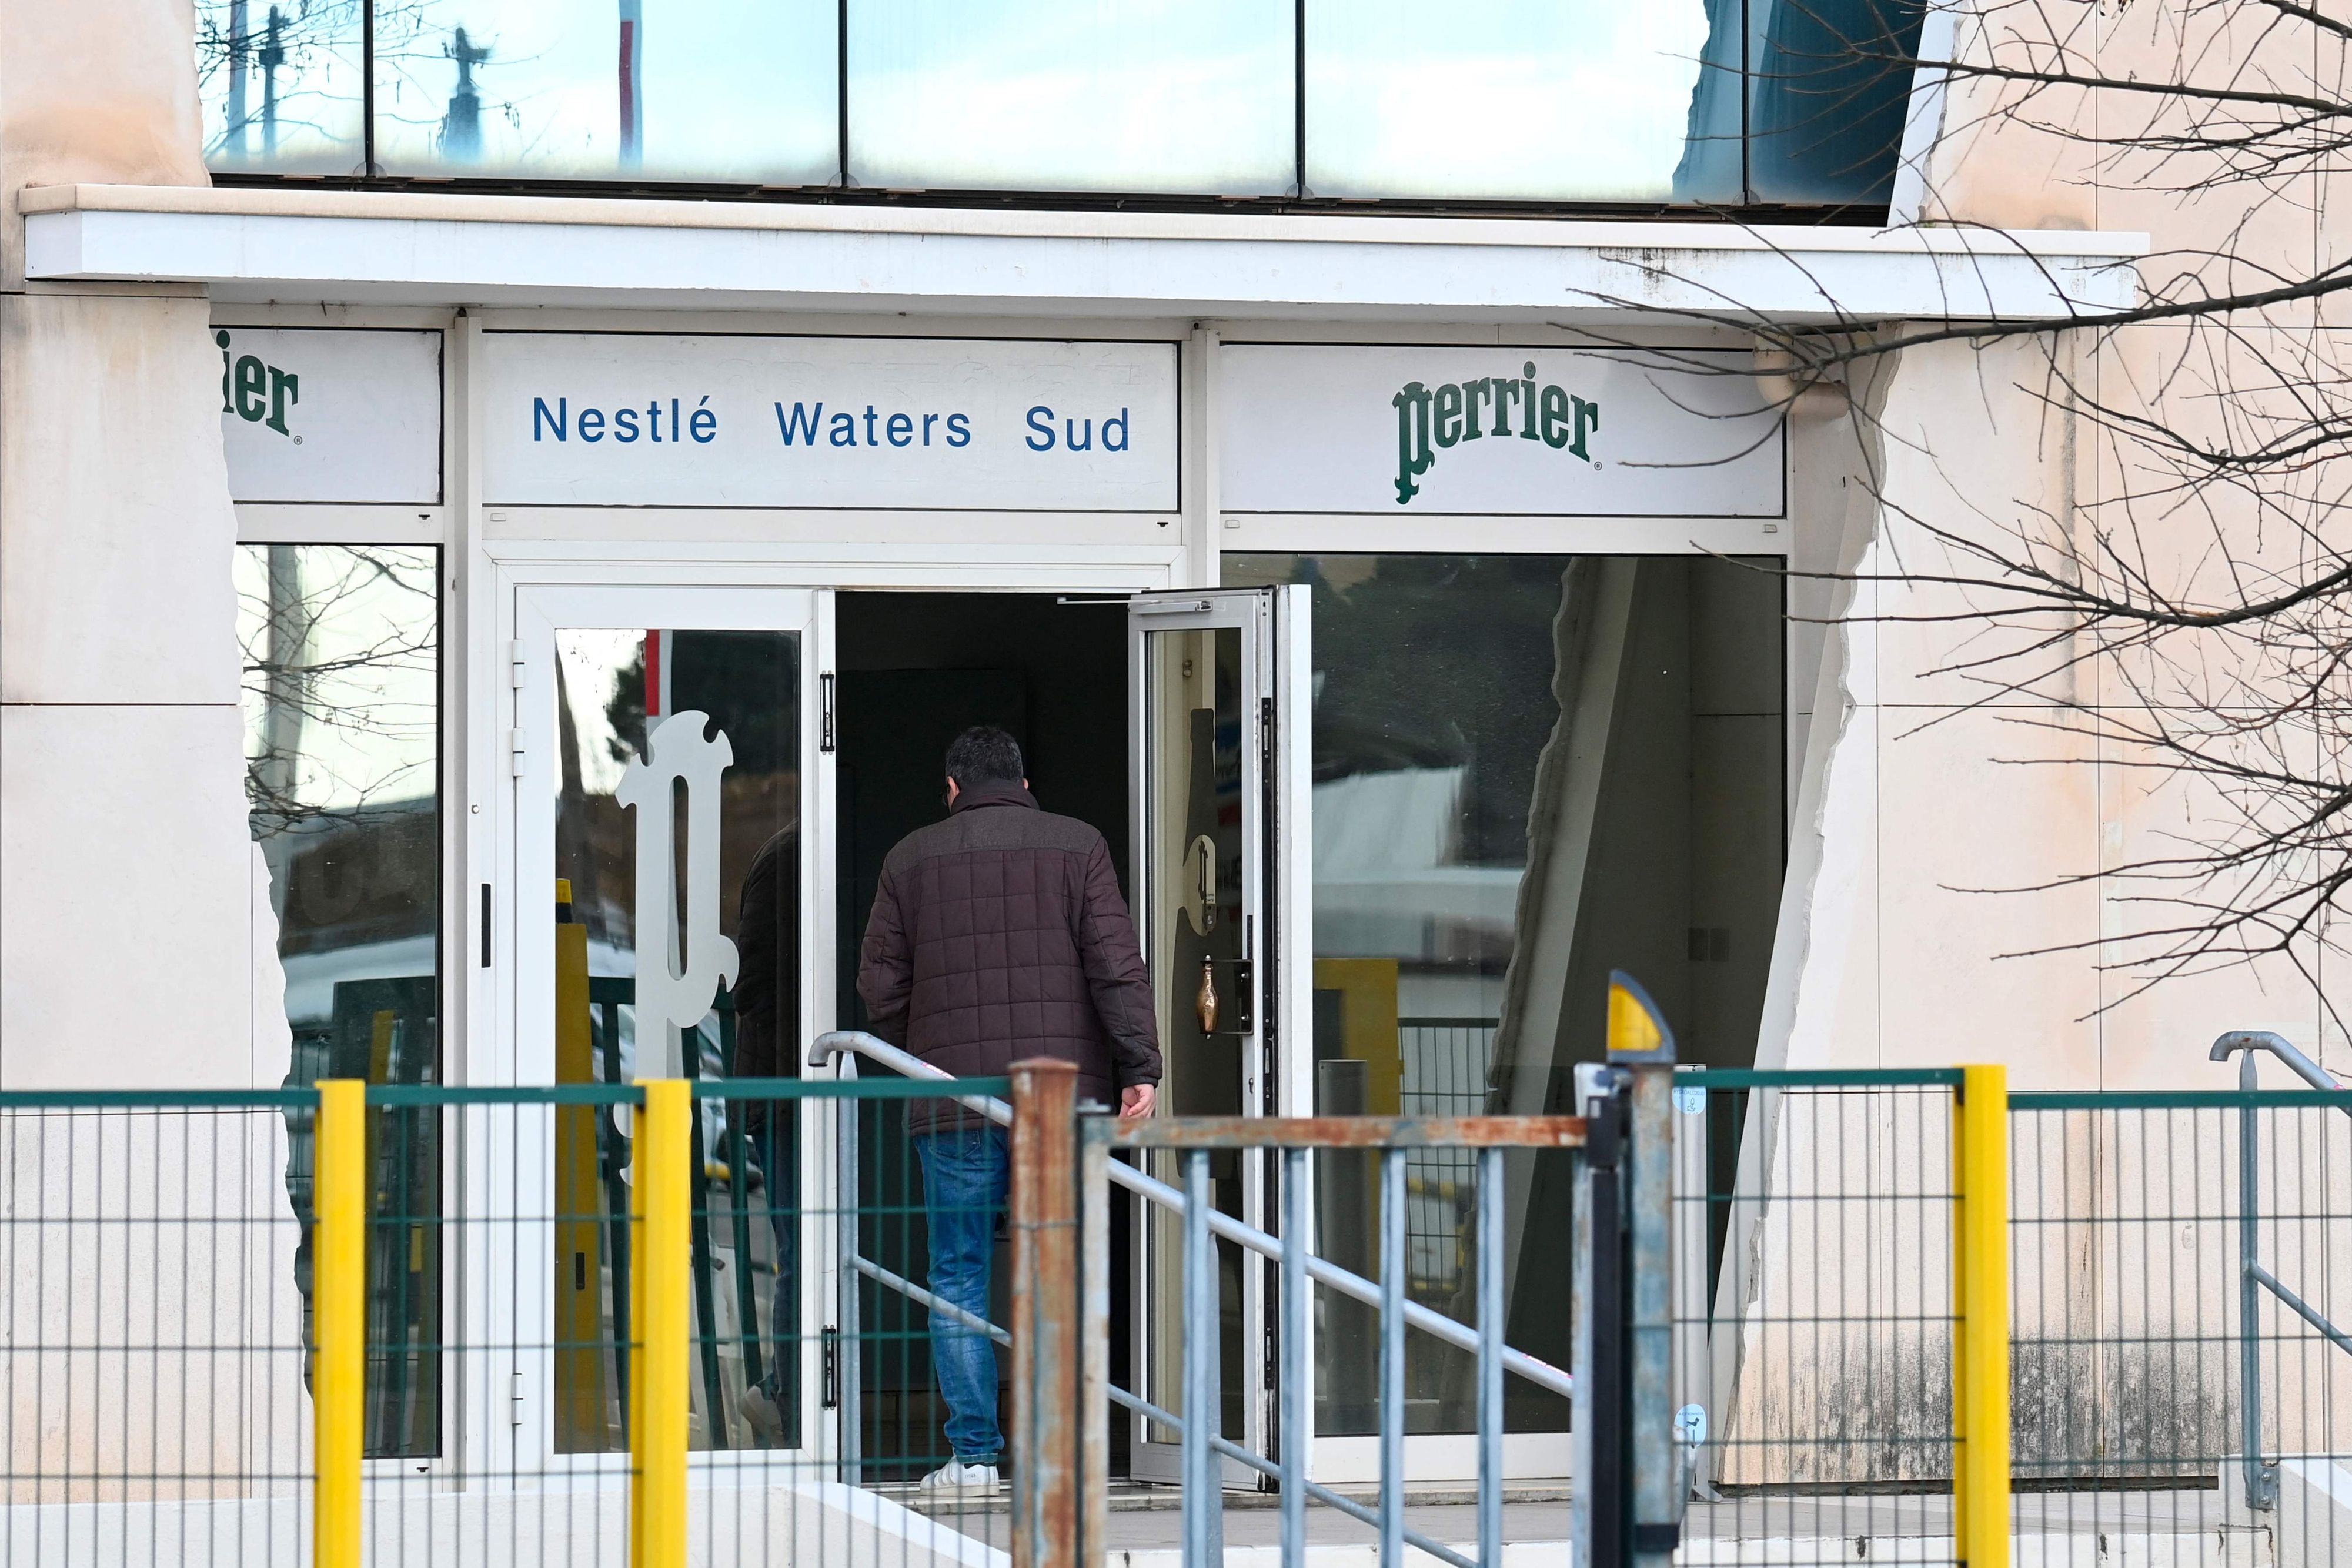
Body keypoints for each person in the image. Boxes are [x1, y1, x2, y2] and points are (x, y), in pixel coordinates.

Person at [857, 724, 1161, 1496]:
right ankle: (1056, 1454)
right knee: (1054, 1268)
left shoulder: (909, 859)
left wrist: (919, 1051)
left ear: (953, 787)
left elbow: (879, 990)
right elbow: (1116, 969)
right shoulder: (1080, 845)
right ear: (1023, 781)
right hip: (1056, 1103)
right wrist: (1139, 1067)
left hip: (952, 1101)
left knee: (958, 1271)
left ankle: (974, 1459)